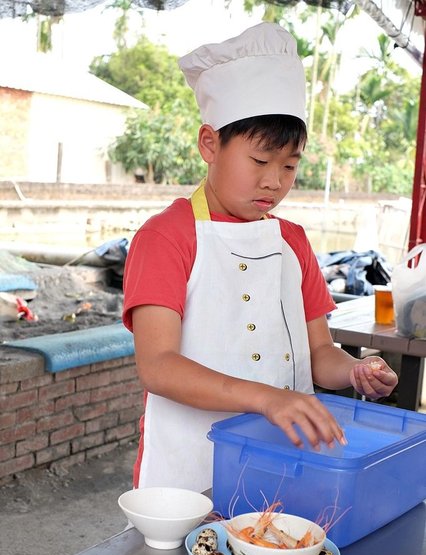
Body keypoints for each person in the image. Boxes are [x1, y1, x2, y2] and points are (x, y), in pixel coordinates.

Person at [122, 22, 398, 492]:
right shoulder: (166, 237)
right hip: (190, 474)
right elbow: (158, 364)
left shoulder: (292, 242)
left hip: (284, 464)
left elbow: (318, 354)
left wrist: (352, 370)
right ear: (210, 144)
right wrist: (266, 398)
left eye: (289, 166)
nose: (274, 181)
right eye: (260, 161)